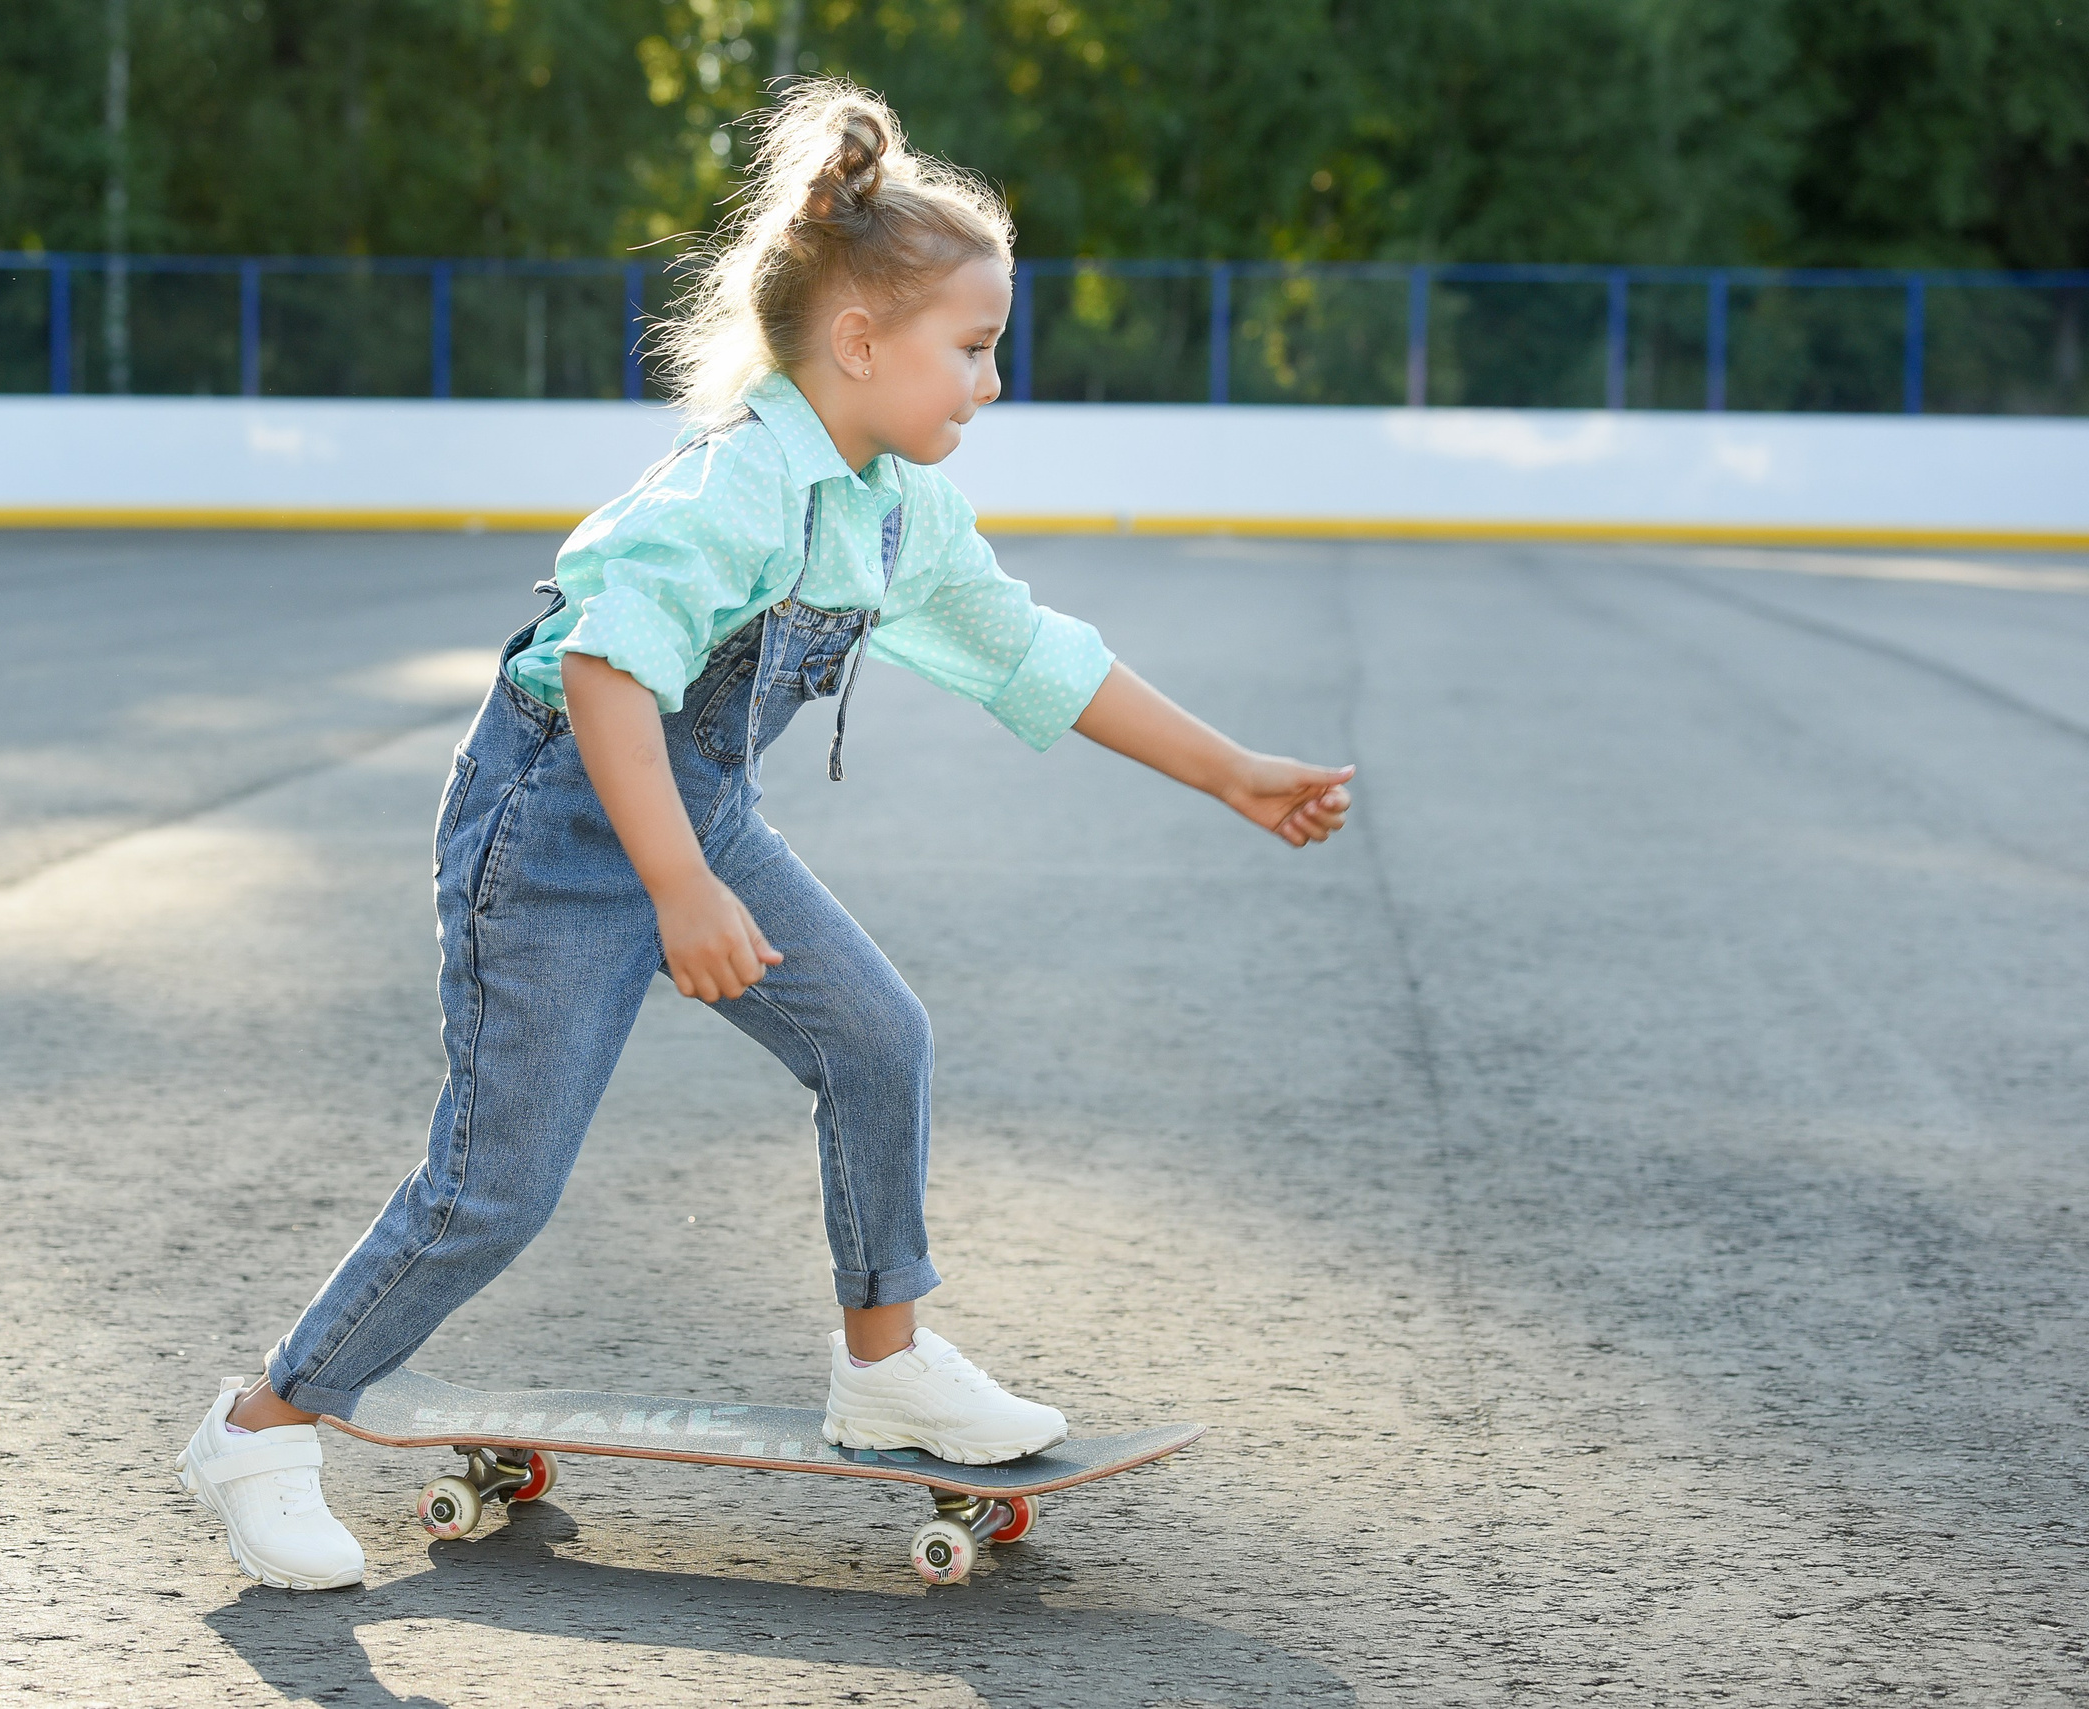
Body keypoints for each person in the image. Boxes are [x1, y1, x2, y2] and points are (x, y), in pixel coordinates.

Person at [175, 80, 1354, 1591]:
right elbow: (603, 667)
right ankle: (263, 1424)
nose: (993, 384)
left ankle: (887, 1357)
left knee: (878, 1038)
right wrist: (674, 885)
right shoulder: (736, 484)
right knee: (496, 1187)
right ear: (859, 342)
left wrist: (1235, 771)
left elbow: (1029, 648)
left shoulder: (888, 509)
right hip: (549, 839)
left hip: (696, 818)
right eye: (975, 349)